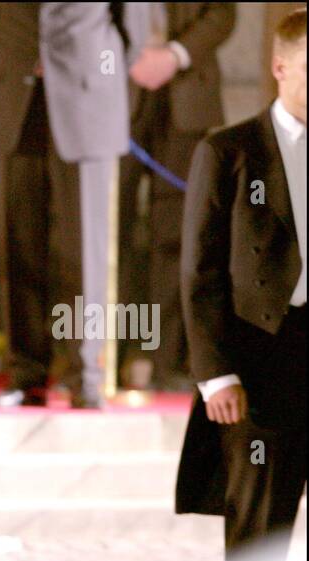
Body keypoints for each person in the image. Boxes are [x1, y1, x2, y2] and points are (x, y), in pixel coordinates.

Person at [175, 7, 307, 561]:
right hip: (262, 363)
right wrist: (216, 374)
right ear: (280, 66)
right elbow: (199, 271)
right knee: (259, 535)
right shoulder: (228, 150)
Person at [0, 2, 147, 409]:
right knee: (19, 247)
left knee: (83, 251)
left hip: (85, 101)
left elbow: (131, 35)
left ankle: (83, 373)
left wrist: (84, 68)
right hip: (17, 101)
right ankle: (26, 374)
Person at [120, 2, 236, 392]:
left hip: (188, 97)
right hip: (115, 98)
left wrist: (175, 55)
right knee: (108, 239)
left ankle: (167, 358)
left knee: (175, 238)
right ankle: (109, 359)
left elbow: (222, 15)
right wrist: (124, 58)